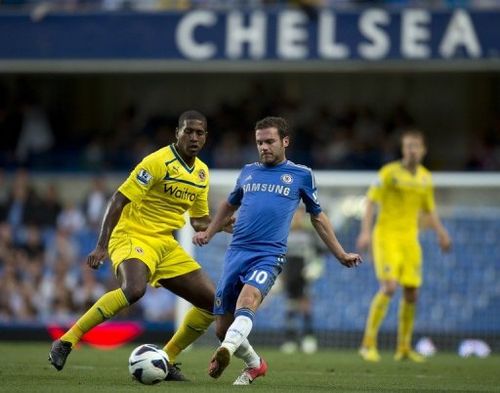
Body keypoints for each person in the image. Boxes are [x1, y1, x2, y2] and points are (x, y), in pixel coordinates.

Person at [48, 110, 233, 381]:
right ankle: (66, 340)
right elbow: (118, 200)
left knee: (212, 303)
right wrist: (101, 246)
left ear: (206, 136)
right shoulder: (157, 161)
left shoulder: (202, 173)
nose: (194, 137)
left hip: (165, 244)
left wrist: (222, 223)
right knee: (134, 289)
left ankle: (166, 360)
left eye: (199, 132)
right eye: (188, 131)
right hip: (132, 235)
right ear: (177, 133)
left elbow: (198, 221)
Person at [193, 116, 362, 385]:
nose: (264, 147)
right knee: (222, 328)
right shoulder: (248, 171)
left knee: (248, 301)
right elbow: (229, 204)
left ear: (285, 141)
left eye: (270, 141)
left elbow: (317, 217)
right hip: (236, 252)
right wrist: (209, 231)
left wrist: (340, 253)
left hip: (268, 255)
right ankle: (254, 363)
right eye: (259, 142)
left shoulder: (301, 175)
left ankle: (226, 350)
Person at [356, 129, 452, 363]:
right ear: (403, 149)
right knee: (389, 287)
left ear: (423, 150)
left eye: (416, 146)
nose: (412, 150)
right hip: (386, 237)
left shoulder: (426, 178)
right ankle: (367, 345)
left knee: (412, 293)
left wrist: (441, 233)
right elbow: (370, 201)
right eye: (408, 146)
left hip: (410, 240)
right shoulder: (388, 173)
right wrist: (365, 231)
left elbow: (429, 210)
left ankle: (404, 348)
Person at [280, 206, 319, 355]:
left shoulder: (309, 233)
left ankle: (309, 338)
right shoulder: (285, 233)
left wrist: (315, 267)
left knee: (305, 305)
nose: (297, 217)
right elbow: (281, 255)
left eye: (300, 214)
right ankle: (290, 340)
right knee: (290, 306)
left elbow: (318, 253)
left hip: (304, 272)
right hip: (289, 272)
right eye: (295, 214)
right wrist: (280, 275)